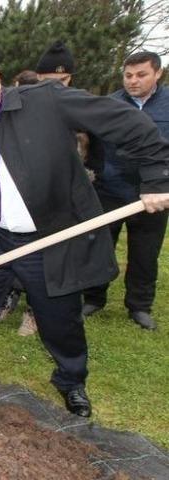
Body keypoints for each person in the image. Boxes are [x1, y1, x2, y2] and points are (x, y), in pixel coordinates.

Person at [0, 50, 169, 418]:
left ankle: (71, 382)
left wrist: (156, 177)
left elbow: (123, 120)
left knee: (61, 322)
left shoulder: (43, 101)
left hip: (49, 241)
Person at [83, 51, 169, 330]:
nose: (133, 80)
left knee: (145, 253)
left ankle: (139, 306)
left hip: (153, 195)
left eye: (141, 75)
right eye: (128, 75)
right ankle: (93, 298)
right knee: (99, 248)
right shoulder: (109, 104)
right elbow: (91, 144)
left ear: (158, 73)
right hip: (109, 191)